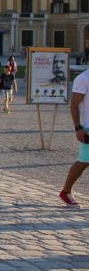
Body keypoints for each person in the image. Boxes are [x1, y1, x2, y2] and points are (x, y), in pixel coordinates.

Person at [61, 66, 89, 205]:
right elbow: (74, 105)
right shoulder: (83, 78)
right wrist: (78, 128)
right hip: (88, 126)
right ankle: (66, 191)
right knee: (84, 161)